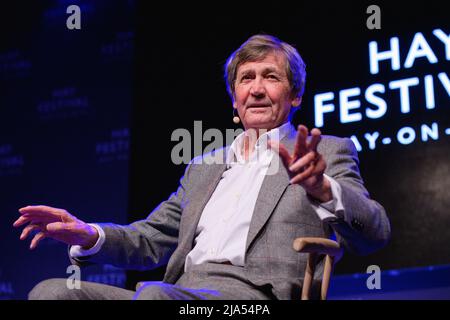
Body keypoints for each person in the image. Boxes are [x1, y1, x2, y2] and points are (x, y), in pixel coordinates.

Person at [14, 34, 391, 300]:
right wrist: (88, 234)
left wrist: (323, 189)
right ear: (234, 101)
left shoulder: (328, 150)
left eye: (271, 77)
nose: (256, 89)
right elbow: (150, 238)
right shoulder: (204, 167)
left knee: (156, 298)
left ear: (295, 96)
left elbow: (375, 232)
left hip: (253, 298)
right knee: (51, 293)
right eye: (247, 79)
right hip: (179, 291)